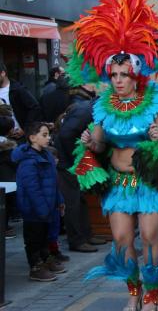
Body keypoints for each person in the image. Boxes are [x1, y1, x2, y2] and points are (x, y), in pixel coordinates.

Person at [67, 0, 158, 310]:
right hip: (119, 184)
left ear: (136, 74)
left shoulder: (155, 103)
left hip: (150, 182)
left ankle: (152, 294)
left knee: (150, 236)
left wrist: (156, 139)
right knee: (123, 241)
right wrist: (90, 143)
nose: (119, 79)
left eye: (125, 74)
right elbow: (98, 144)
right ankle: (133, 291)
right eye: (114, 74)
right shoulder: (102, 106)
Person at [13, 122, 66, 281]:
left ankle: (46, 259)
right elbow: (32, 189)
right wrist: (42, 208)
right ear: (32, 138)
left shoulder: (46, 155)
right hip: (33, 208)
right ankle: (35, 266)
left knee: (45, 236)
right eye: (44, 135)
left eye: (48, 134)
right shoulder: (28, 160)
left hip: (48, 205)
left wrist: (59, 200)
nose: (48, 138)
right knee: (34, 238)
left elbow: (54, 182)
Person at [55, 86, 103, 253]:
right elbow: (65, 135)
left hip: (73, 158)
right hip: (67, 161)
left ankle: (87, 234)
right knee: (73, 201)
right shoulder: (86, 111)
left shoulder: (91, 110)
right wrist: (74, 160)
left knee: (80, 198)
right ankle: (76, 240)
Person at [0, 62, 42, 140]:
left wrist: (25, 129)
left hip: (18, 137)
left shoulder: (18, 89)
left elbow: (35, 107)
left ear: (3, 73)